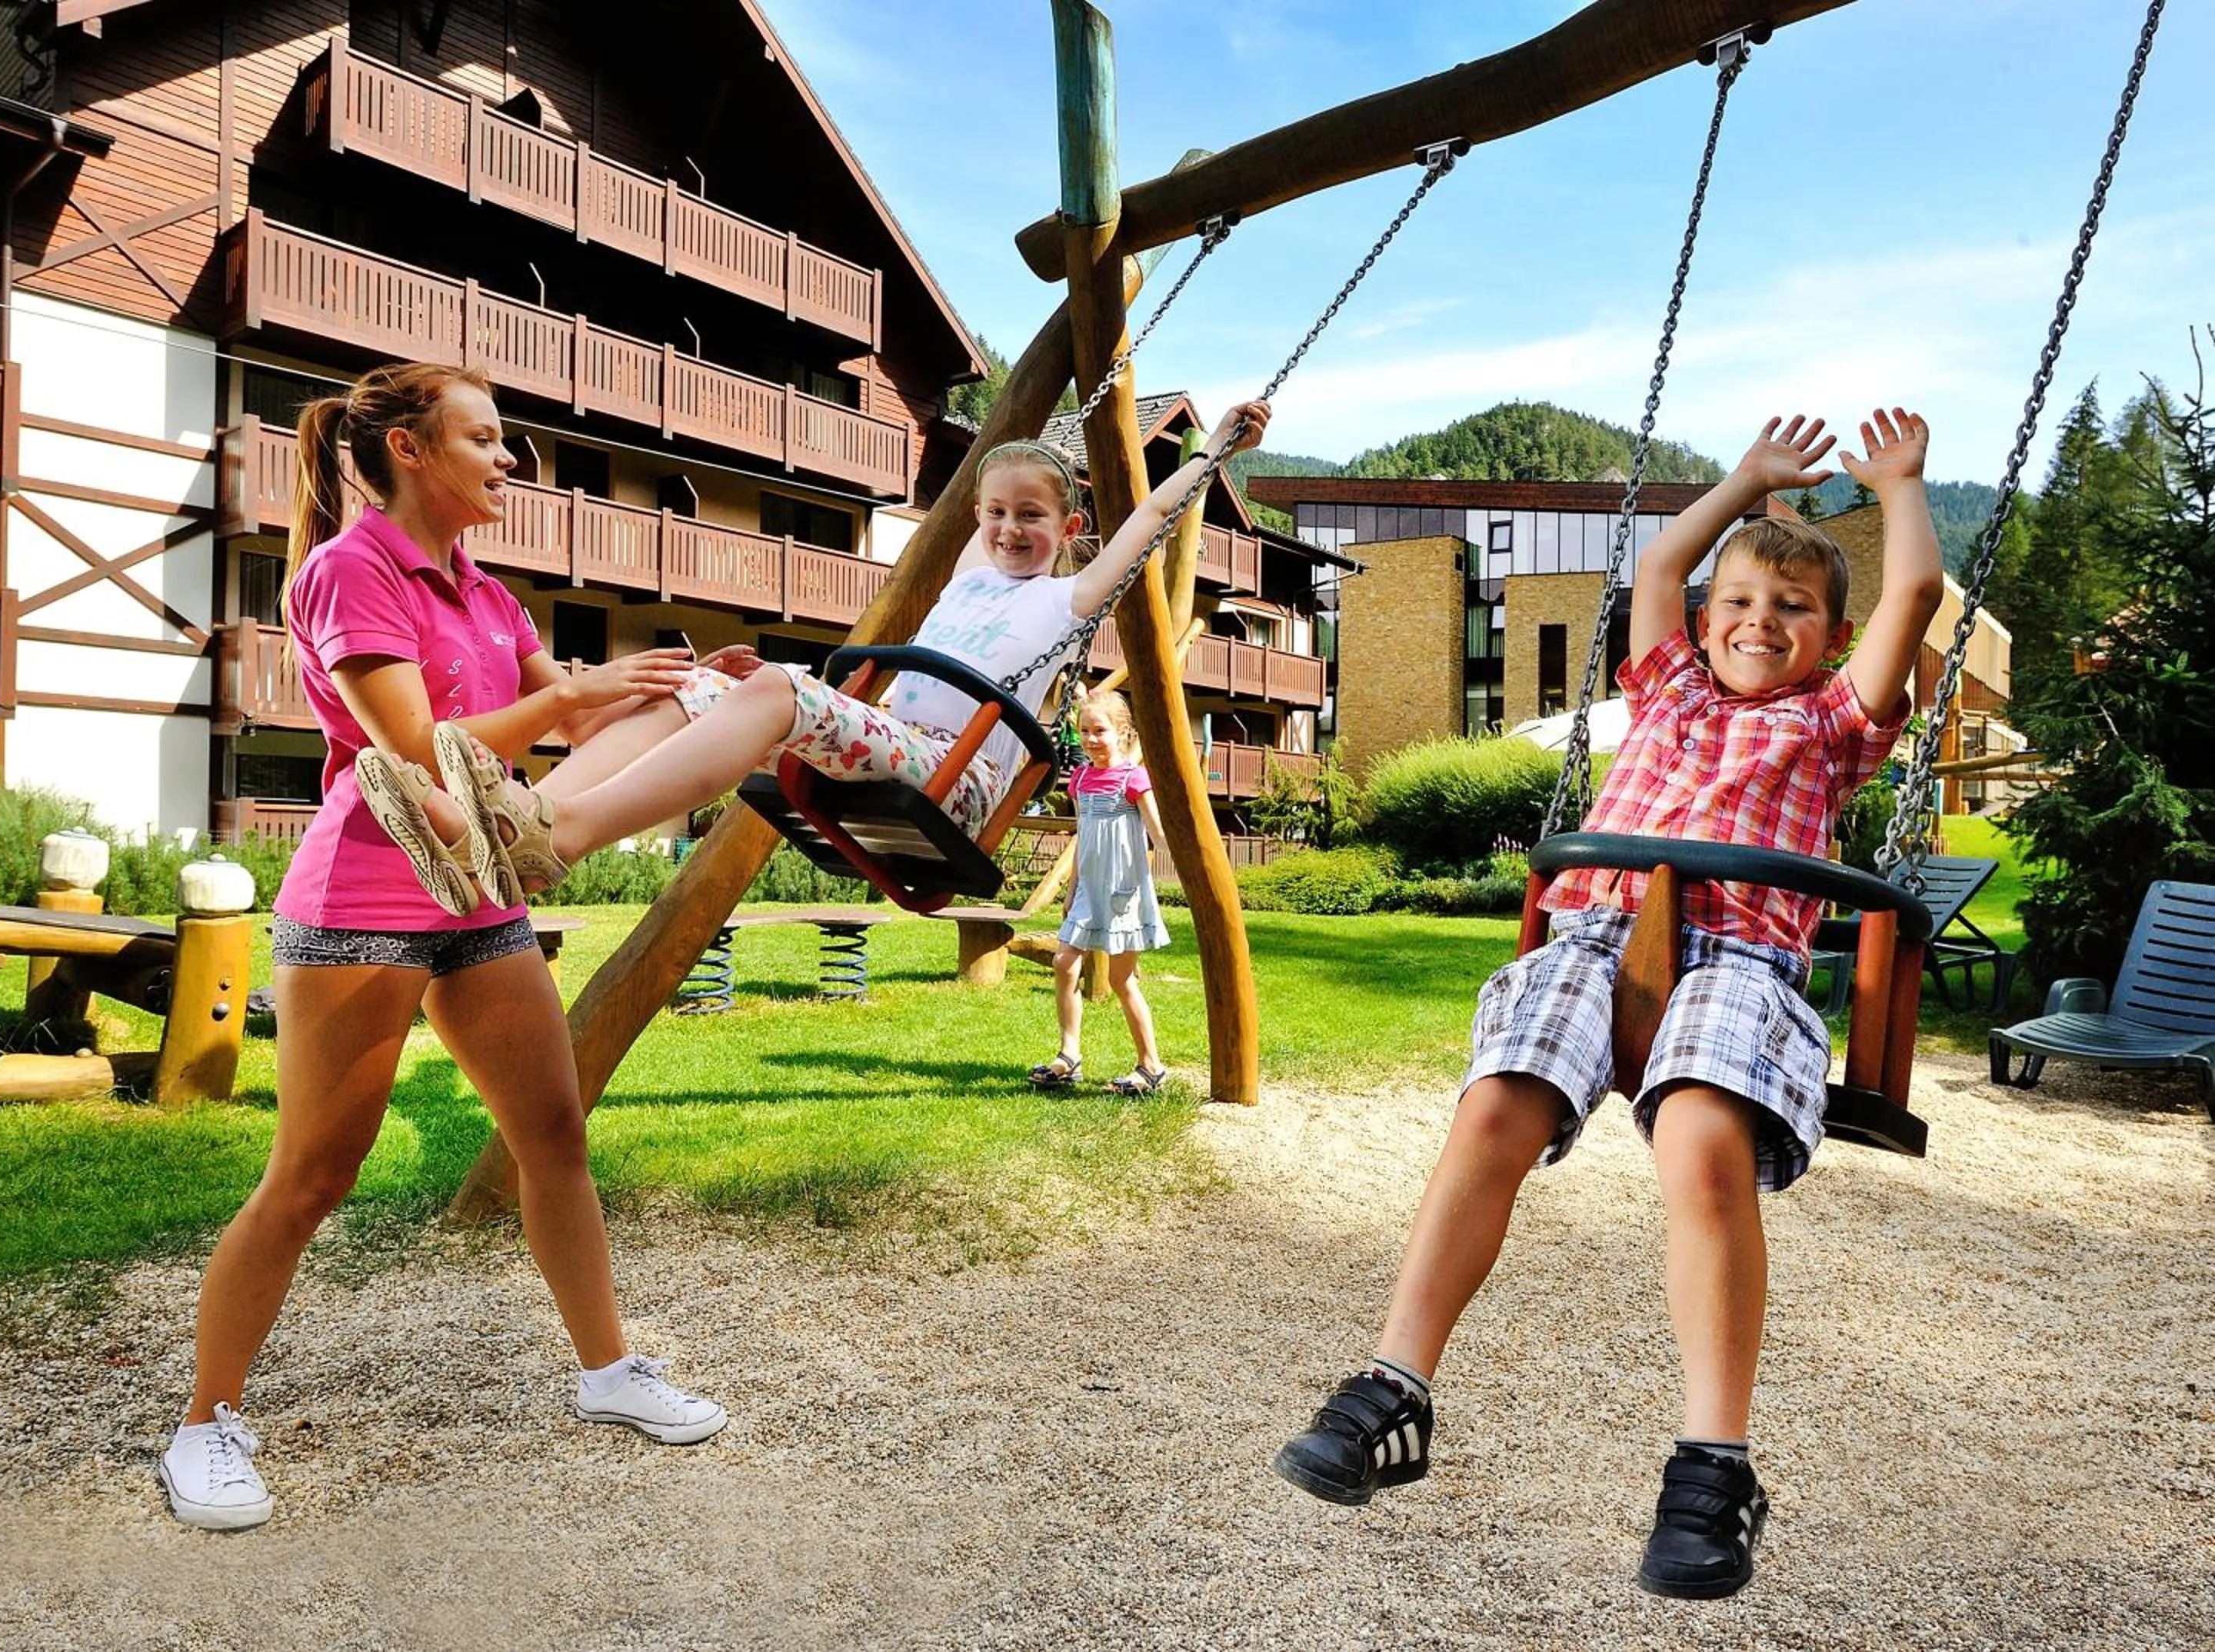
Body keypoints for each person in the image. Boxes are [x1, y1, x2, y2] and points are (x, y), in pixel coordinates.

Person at [1271, 410, 1943, 1600]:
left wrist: (1897, 490)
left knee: (1700, 1148)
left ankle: (1712, 1466)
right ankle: (1392, 1386)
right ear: (1704, 621)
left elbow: (1915, 597)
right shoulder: (1667, 688)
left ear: (1829, 639)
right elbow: (1660, 566)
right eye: (1741, 601)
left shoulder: (1835, 729)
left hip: (1738, 959)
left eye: (1793, 611)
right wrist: (1744, 481)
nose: (1758, 622)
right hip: (1593, 937)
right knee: (1493, 1113)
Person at [160, 363, 741, 1533]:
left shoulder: (491, 594)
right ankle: (203, 1427)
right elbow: (417, 750)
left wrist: (678, 692)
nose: (509, 459)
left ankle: (608, 1372)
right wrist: (574, 699)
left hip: (476, 899)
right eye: (486, 438)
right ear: (412, 452)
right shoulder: (347, 571)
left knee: (555, 1132)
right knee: (314, 1177)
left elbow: (563, 720)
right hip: (364, 897)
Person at [355, 404, 1274, 918]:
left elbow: (1147, 524)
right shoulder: (970, 574)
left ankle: (563, 837)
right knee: (695, 680)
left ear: (1070, 529)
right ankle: (527, 819)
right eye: (997, 514)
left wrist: (1213, 450)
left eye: (1033, 517)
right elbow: (982, 495)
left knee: (781, 688)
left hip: (946, 782)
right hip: (893, 746)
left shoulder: (1068, 600)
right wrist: (1024, 442)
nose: (1009, 529)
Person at [1028, 689, 1172, 1096]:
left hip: (1123, 892)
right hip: (1089, 889)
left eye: (1101, 731)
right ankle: (1068, 1054)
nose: (1091, 739)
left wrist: (1185, 852)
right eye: (1085, 731)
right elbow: (1084, 839)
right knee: (1063, 962)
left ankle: (1150, 1066)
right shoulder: (1081, 779)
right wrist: (1071, 890)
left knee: (1122, 980)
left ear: (1122, 732)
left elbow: (1159, 835)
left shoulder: (1133, 778)